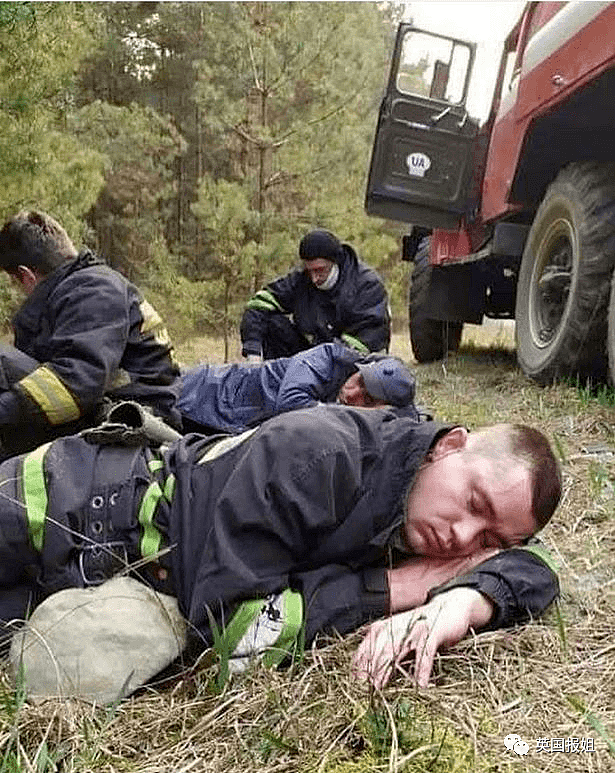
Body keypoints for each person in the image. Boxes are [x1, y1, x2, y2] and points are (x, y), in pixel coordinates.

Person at [0, 404, 561, 688]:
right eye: (475, 504)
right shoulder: (320, 456)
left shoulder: (420, 504)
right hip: (61, 502)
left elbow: (537, 568)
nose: (462, 538)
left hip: (103, 579)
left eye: (487, 538)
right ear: (451, 446)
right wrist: (391, 589)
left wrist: (461, 602)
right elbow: (233, 634)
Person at [0, 210, 181, 459]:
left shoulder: (94, 290)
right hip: (107, 409)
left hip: (131, 422)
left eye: (15, 282)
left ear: (26, 275)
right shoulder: (86, 287)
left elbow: (74, 384)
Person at [179, 342, 419, 434]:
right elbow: (292, 403)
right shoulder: (324, 357)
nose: (351, 393)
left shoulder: (389, 408)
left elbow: (412, 420)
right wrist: (358, 414)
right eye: (359, 381)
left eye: (366, 400)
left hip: (227, 426)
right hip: (202, 394)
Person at [240, 229, 391, 361]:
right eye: (309, 270)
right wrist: (253, 351)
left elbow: (367, 340)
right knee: (272, 324)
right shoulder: (301, 280)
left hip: (349, 362)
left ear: (335, 262)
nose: (314, 279)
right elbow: (258, 304)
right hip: (311, 356)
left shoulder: (367, 285)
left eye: (320, 270)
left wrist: (318, 364)